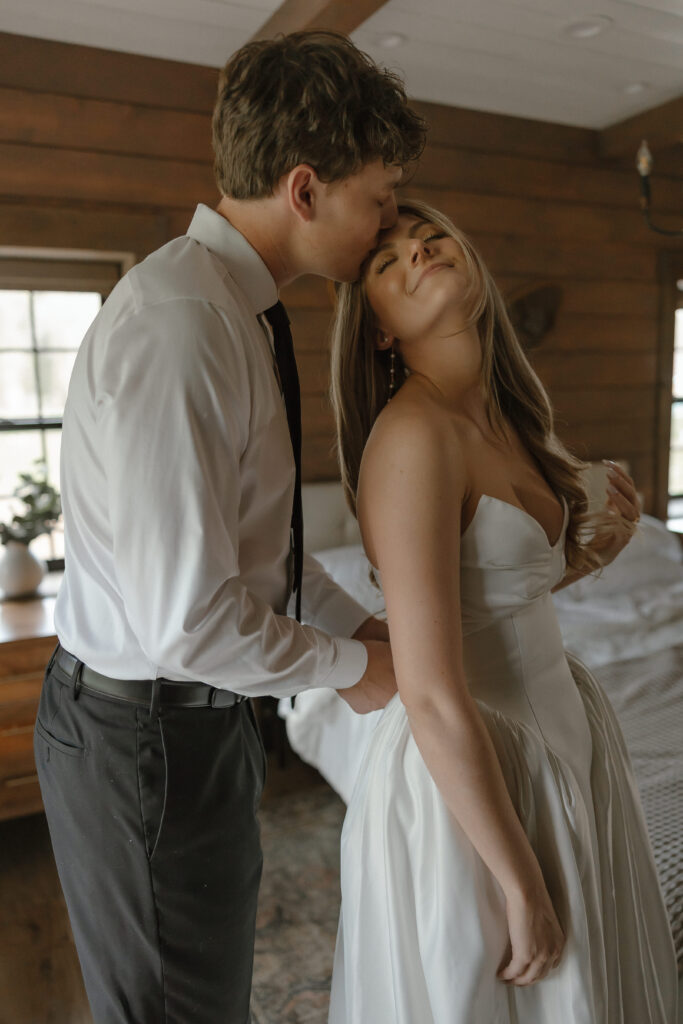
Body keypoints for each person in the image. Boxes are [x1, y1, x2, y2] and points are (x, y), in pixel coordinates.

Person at [33, 33, 426, 1024]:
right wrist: (353, 666)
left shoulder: (233, 310)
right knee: (173, 1007)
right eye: (378, 197)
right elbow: (188, 623)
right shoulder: (181, 326)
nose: (388, 221)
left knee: (202, 988)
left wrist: (363, 624)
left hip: (189, 721)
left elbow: (262, 549)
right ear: (305, 191)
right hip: (147, 730)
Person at [327, 198, 678, 1022]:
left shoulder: (514, 424)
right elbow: (430, 689)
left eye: (428, 237)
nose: (417, 253)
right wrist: (519, 882)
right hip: (478, 771)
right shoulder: (411, 440)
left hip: (564, 735)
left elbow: (486, 600)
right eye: (388, 261)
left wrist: (582, 556)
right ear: (378, 329)